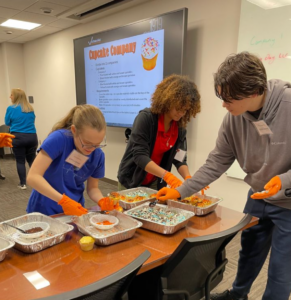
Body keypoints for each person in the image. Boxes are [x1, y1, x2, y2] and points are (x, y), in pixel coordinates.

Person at [156, 52, 291, 300]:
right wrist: (181, 191)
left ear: (252, 92)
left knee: (282, 268)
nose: (223, 104)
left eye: (228, 98)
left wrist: (285, 181)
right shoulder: (233, 119)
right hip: (258, 195)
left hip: (289, 201)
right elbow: (216, 162)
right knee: (249, 251)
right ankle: (237, 295)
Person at [26, 104, 119, 216]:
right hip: (45, 208)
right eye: (87, 143)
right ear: (74, 130)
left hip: (74, 209)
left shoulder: (98, 155)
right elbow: (33, 177)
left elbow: (93, 188)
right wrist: (63, 201)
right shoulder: (59, 139)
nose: (92, 149)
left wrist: (101, 200)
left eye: (97, 144)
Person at [117, 74, 201, 191]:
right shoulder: (146, 118)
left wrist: (188, 179)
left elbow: (179, 159)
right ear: (168, 101)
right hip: (132, 180)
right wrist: (167, 175)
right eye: (178, 108)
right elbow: (140, 156)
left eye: (185, 110)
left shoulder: (179, 128)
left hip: (155, 181)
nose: (181, 113)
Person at [5, 89, 38, 190]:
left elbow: (7, 122)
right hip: (32, 137)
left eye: (11, 95)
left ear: (16, 96)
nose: (10, 97)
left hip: (18, 137)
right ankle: (37, 182)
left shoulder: (10, 108)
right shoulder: (30, 108)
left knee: (20, 161)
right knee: (32, 160)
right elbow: (32, 120)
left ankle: (23, 184)